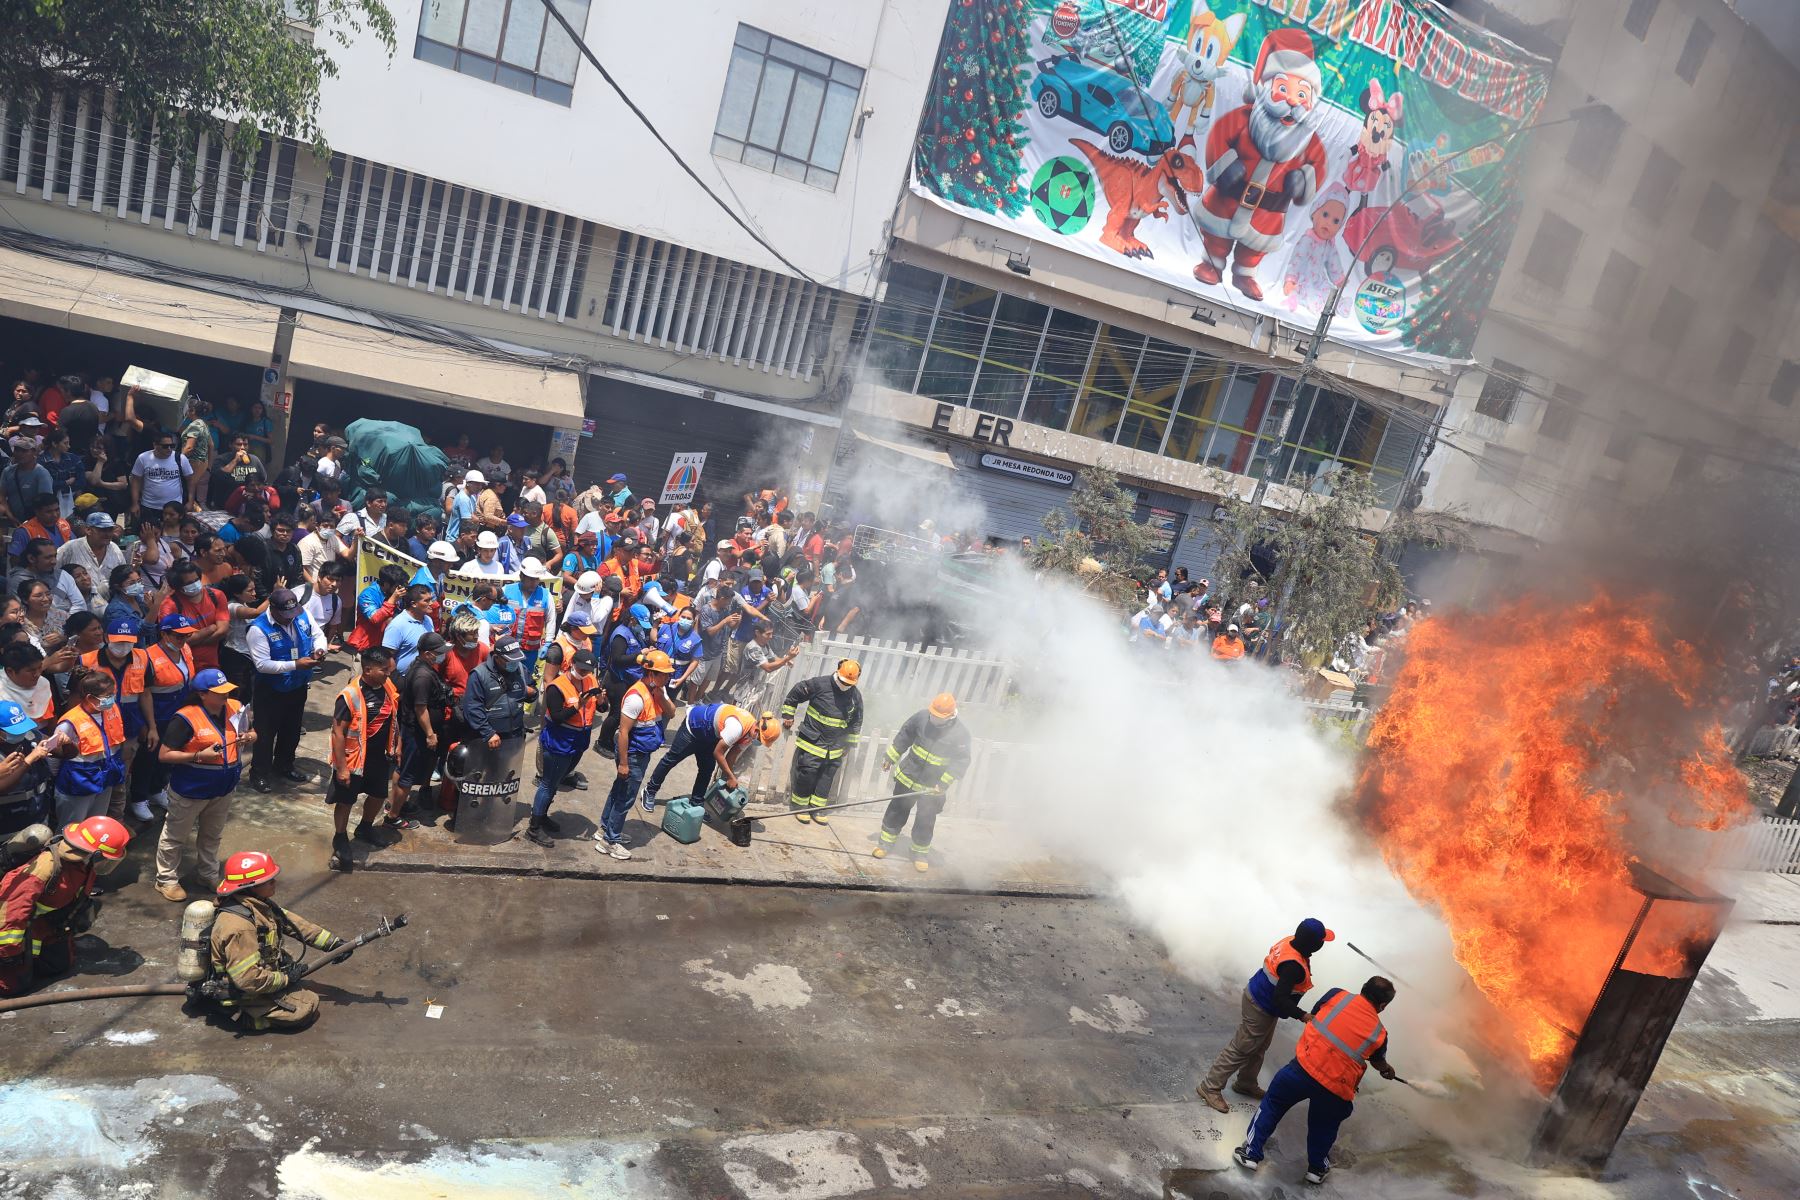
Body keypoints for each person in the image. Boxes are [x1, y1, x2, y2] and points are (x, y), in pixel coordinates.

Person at [1235, 976, 1399, 1185]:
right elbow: (1378, 1062)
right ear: (1383, 1006)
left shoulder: (1336, 995)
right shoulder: (1380, 1033)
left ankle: (1250, 1154)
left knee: (1273, 1104)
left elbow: (1317, 1014)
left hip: (1302, 1069)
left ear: (1363, 988)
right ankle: (1316, 1170)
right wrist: (1387, 1070)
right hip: (1336, 1087)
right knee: (1324, 1128)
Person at [1200, 918, 1336, 1113]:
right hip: (1260, 1006)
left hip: (1263, 1002)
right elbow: (1280, 998)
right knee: (1241, 1047)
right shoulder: (1293, 966)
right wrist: (1303, 1015)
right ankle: (1210, 1087)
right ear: (1314, 944)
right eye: (1321, 940)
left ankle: (1245, 1083)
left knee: (1259, 1046)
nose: (1323, 943)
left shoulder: (1292, 942)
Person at [204, 849, 345, 1032]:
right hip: (242, 992)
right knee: (305, 1009)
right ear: (250, 886)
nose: (274, 882)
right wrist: (286, 979)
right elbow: (248, 979)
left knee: (295, 975)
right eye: (268, 880)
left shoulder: (257, 904)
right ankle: (245, 1019)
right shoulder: (240, 927)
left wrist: (333, 943)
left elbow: (293, 924)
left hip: (254, 977)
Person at [0, 815, 130, 997]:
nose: (107, 863)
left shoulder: (83, 864)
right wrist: (9, 953)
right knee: (13, 987)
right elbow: (11, 912)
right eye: (106, 857)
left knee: (59, 966)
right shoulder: (46, 867)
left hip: (47, 927)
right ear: (95, 853)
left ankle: (32, 959)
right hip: (14, 931)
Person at [155, 668, 254, 903]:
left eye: (226, 690)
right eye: (219, 692)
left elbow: (251, 731)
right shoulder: (185, 718)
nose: (225, 696)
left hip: (224, 787)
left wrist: (250, 737)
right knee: (175, 836)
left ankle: (208, 874)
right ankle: (166, 879)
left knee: (212, 835)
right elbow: (164, 755)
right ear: (202, 694)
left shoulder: (234, 707)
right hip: (192, 789)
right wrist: (198, 755)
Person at [876, 692, 972, 874]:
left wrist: (943, 785)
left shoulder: (960, 734)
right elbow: (904, 736)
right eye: (933, 714)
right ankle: (885, 844)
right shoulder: (921, 717)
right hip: (909, 776)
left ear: (951, 716)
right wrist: (890, 757)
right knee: (896, 810)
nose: (934, 719)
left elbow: (961, 761)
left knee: (926, 820)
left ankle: (919, 854)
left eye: (939, 717)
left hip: (932, 787)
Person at [327, 647, 401, 871]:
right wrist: (341, 768)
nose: (389, 675)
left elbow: (395, 718)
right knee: (346, 799)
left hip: (380, 756)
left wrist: (398, 745)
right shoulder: (349, 696)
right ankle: (340, 837)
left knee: (378, 794)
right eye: (384, 671)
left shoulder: (387, 686)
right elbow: (337, 733)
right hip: (353, 759)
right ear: (368, 669)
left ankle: (365, 827)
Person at [596, 648, 673, 860]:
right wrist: (623, 763)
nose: (668, 676)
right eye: (664, 673)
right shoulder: (636, 697)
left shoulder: (658, 690)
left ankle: (605, 828)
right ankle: (610, 841)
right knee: (625, 798)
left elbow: (672, 712)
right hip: (632, 755)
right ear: (651, 673)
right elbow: (623, 732)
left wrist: (661, 696)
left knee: (619, 790)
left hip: (642, 753)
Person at [246, 588, 326, 792]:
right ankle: (259, 774)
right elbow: (262, 664)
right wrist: (295, 664)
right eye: (284, 615)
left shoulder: (301, 614)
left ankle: (284, 764)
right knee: (265, 733)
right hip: (271, 690)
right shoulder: (258, 629)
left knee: (291, 730)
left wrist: (320, 649)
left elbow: (317, 634)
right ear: (273, 609)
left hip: (298, 685)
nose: (289, 619)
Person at [643, 702, 779, 812]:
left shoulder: (750, 735)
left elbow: (732, 756)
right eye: (761, 740)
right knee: (671, 760)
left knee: (706, 769)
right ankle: (649, 791)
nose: (759, 743)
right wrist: (730, 777)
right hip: (693, 728)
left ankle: (696, 802)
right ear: (757, 730)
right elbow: (718, 753)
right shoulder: (737, 727)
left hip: (711, 736)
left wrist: (729, 777)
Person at [527, 648, 603, 847]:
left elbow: (601, 708)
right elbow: (558, 717)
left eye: (588, 670)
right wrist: (578, 705)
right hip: (560, 740)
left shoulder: (591, 681)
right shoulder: (556, 687)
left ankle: (542, 815)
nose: (584, 673)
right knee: (548, 783)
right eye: (581, 669)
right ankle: (534, 827)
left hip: (579, 739)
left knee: (558, 780)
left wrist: (601, 699)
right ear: (571, 665)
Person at [82, 618, 154, 821]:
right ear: (106, 638)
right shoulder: (87, 661)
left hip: (129, 727)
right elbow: (75, 700)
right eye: (118, 641)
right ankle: (95, 820)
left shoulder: (142, 658)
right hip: (95, 728)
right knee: (97, 773)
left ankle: (117, 820)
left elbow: (145, 694)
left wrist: (151, 726)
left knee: (122, 775)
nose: (123, 647)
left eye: (128, 642)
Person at [779, 659, 864, 824]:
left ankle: (817, 809)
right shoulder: (819, 684)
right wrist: (788, 715)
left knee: (827, 777)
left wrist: (849, 743)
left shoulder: (855, 695)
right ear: (837, 673)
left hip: (835, 746)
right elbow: (796, 692)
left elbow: (857, 719)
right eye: (843, 681)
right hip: (813, 740)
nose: (845, 685)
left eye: (849, 683)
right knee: (807, 773)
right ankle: (800, 807)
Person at [50, 671, 129, 826]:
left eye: (113, 694)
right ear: (90, 698)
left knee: (96, 826)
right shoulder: (69, 722)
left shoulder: (112, 710)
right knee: (71, 829)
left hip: (105, 778)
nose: (112, 699)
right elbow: (52, 756)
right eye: (108, 695)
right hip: (79, 782)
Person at [462, 633, 532, 792]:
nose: (515, 663)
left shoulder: (520, 668)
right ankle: (468, 812)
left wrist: (532, 693)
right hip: (485, 738)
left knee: (500, 774)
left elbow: (529, 686)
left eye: (516, 660)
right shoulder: (479, 675)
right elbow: (472, 708)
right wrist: (488, 732)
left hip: (512, 736)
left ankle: (492, 811)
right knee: (475, 776)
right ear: (497, 657)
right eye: (510, 660)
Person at [392, 632, 450, 819]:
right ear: (427, 653)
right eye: (439, 652)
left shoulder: (424, 667)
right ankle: (393, 816)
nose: (443, 655)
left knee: (402, 771)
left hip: (412, 730)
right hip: (416, 733)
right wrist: (430, 734)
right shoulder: (422, 676)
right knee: (407, 776)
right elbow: (420, 708)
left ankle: (396, 804)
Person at [597, 603, 655, 754]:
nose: (642, 627)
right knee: (616, 714)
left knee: (621, 713)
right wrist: (639, 655)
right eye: (639, 623)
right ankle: (602, 742)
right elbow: (617, 659)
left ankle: (609, 740)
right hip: (617, 680)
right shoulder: (621, 634)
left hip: (630, 679)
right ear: (632, 620)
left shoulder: (635, 632)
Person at [160, 562, 230, 673]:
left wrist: (194, 640)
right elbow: (172, 642)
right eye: (189, 583)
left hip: (214, 664)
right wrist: (210, 629)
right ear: (178, 587)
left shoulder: (216, 596)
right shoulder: (169, 605)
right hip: (183, 667)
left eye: (196, 580)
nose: (195, 584)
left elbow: (222, 631)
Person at [0, 699, 56, 836]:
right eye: (14, 731)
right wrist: (29, 759)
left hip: (38, 818)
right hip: (7, 827)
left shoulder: (30, 735)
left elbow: (64, 752)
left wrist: (62, 741)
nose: (21, 734)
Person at [502, 559, 556, 678]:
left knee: (525, 681)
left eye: (536, 579)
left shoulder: (546, 596)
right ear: (521, 576)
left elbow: (551, 620)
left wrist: (548, 643)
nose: (534, 582)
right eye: (530, 579)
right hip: (507, 649)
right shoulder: (506, 590)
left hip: (530, 652)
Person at [347, 563, 409, 653]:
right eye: (397, 586)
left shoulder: (395, 595)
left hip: (386, 646)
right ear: (387, 584)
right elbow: (375, 619)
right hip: (366, 647)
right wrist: (392, 600)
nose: (400, 589)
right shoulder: (368, 595)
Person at [381, 584, 437, 674]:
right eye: (426, 601)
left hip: (423, 677)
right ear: (414, 604)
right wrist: (397, 680)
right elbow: (386, 656)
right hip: (403, 681)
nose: (431, 604)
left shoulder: (428, 620)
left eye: (431, 599)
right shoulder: (397, 625)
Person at [445, 469, 483, 541]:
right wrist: (477, 519)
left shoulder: (472, 497)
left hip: (464, 539)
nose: (479, 487)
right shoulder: (463, 498)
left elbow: (473, 516)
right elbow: (467, 522)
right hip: (455, 539)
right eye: (477, 484)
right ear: (468, 483)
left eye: (481, 484)